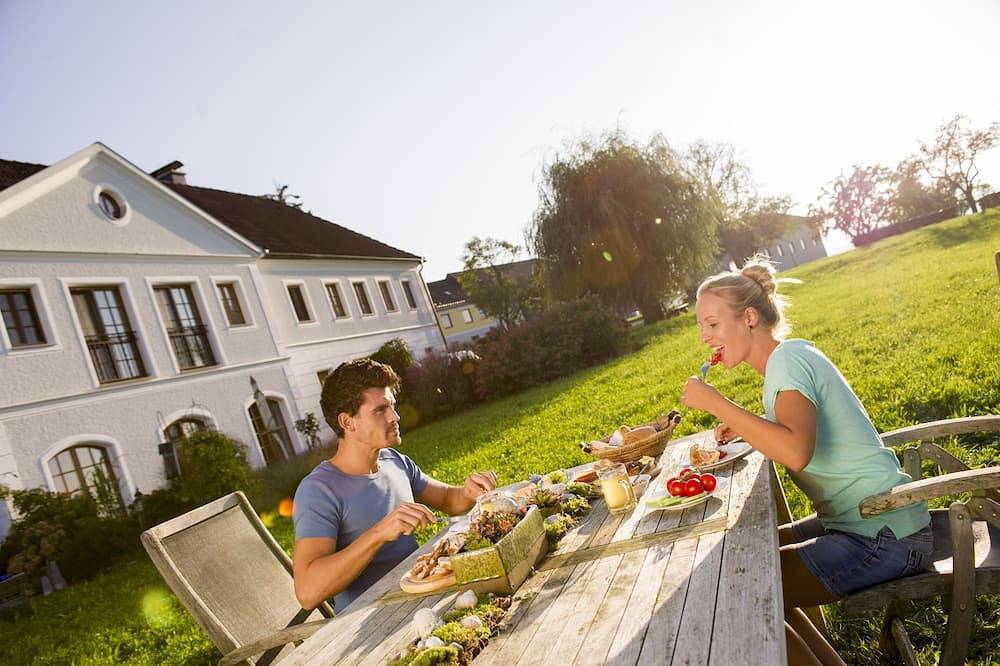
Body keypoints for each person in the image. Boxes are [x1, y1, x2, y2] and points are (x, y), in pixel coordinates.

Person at [679, 255, 932, 666]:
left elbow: (796, 451)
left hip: (884, 535)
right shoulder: (787, 360)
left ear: (748, 318)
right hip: (870, 522)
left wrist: (719, 405)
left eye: (712, 324)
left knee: (739, 589)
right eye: (701, 327)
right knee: (753, 551)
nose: (705, 337)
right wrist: (751, 426)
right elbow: (795, 432)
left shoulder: (787, 362)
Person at [292, 358, 496, 612]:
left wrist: (468, 492)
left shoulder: (394, 462)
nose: (395, 417)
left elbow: (448, 500)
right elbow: (308, 592)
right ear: (347, 422)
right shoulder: (319, 490)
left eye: (393, 407)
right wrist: (378, 534)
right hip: (369, 622)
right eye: (380, 410)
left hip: (426, 598)